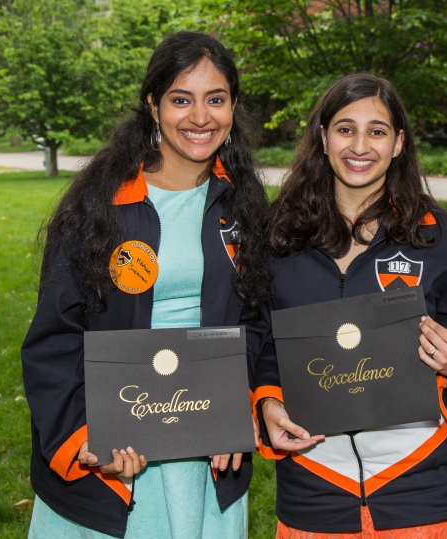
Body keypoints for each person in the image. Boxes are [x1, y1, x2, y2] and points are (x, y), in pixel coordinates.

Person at [21, 32, 270, 539]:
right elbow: (55, 336)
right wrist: (83, 438)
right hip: (114, 449)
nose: (200, 117)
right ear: (153, 105)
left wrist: (237, 406)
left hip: (204, 448)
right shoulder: (101, 204)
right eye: (182, 99)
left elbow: (256, 323)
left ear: (233, 106)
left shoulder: (242, 205)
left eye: (215, 100)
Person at [252, 73, 447, 538]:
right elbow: (262, 340)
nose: (360, 145)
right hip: (316, 486)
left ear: (399, 142)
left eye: (378, 130)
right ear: (323, 136)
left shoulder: (436, 234)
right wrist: (267, 400)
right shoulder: (279, 236)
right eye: (345, 128)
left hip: (428, 486)